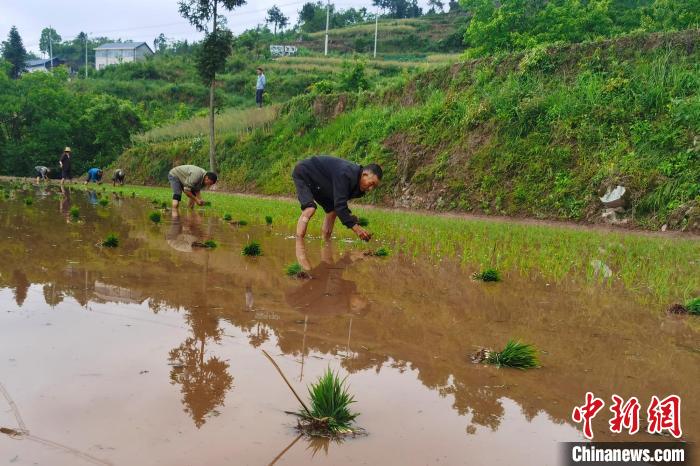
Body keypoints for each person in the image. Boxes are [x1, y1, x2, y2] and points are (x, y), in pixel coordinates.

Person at [292, 155, 382, 241]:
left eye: (374, 187)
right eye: (371, 183)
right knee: (310, 208)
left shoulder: (357, 185)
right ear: (364, 174)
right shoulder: (346, 174)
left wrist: (353, 220)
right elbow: (340, 206)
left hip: (320, 180)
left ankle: (325, 243)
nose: (370, 189)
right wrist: (357, 229)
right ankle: (299, 244)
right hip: (304, 172)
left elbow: (340, 204)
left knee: (332, 211)